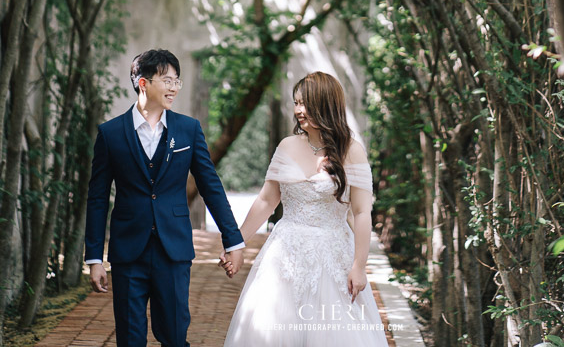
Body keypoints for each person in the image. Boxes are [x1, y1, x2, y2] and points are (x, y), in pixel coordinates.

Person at [85, 48, 244, 347]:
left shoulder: (188, 129)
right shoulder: (111, 133)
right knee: (130, 339)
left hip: (174, 251)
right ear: (143, 83)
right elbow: (97, 198)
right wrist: (94, 258)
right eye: (166, 80)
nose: (174, 87)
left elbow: (210, 185)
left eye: (177, 81)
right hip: (127, 252)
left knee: (173, 335)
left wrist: (232, 239)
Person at [222, 71, 389, 346]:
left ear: (325, 105)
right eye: (296, 102)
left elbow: (361, 213)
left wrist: (359, 265)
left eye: (306, 103)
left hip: (333, 256)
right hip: (284, 255)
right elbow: (267, 200)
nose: (299, 110)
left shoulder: (352, 151)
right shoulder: (287, 146)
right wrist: (236, 242)